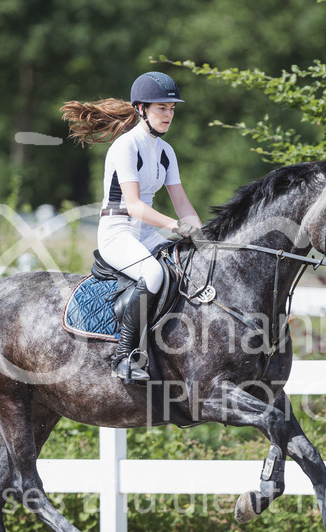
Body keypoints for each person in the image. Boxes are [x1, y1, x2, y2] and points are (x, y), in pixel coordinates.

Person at [61, 71, 203, 383]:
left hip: (146, 232)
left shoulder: (166, 152)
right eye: (161, 108)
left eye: (172, 109)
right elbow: (135, 205)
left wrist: (204, 238)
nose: (168, 115)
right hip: (117, 231)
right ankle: (124, 357)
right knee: (151, 274)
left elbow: (182, 203)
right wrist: (177, 227)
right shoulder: (125, 147)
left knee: (191, 264)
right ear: (141, 109)